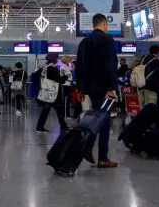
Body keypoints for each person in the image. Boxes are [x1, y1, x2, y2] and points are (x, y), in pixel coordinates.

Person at [76, 13, 119, 168]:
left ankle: (88, 147)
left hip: (90, 89)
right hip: (103, 88)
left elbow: (79, 68)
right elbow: (110, 64)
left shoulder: (84, 42)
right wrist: (112, 87)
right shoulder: (107, 40)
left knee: (96, 118)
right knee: (104, 121)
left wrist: (81, 89)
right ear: (105, 25)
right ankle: (102, 157)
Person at [35, 53, 68, 133]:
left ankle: (40, 127)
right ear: (53, 58)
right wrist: (65, 77)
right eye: (57, 58)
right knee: (58, 110)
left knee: (47, 111)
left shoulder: (46, 67)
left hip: (49, 93)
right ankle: (63, 127)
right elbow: (55, 78)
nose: (58, 59)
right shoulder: (51, 67)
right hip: (53, 93)